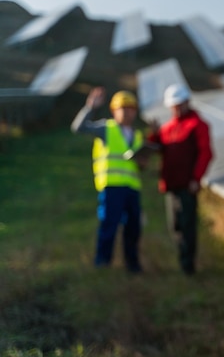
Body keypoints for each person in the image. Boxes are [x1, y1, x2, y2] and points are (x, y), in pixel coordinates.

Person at [71, 87, 145, 273]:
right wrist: (90, 107)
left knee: (133, 228)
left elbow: (139, 164)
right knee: (109, 225)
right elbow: (78, 128)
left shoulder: (137, 135)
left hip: (132, 188)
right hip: (112, 187)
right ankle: (102, 264)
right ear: (114, 110)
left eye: (131, 108)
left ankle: (132, 265)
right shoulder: (106, 128)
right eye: (123, 108)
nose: (127, 112)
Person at [148, 82, 213, 275]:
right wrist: (153, 135)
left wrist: (196, 178)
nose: (177, 108)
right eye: (173, 105)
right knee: (175, 225)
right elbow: (157, 148)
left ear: (187, 102)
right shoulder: (167, 129)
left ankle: (188, 266)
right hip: (171, 184)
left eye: (180, 104)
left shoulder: (198, 125)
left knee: (187, 225)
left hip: (187, 186)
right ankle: (182, 260)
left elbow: (206, 153)